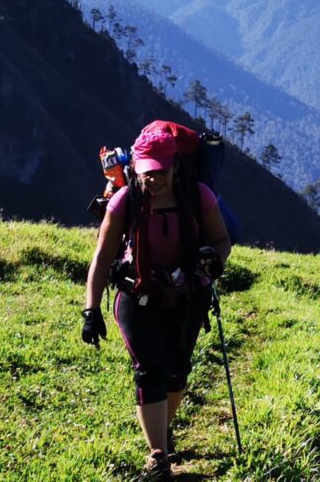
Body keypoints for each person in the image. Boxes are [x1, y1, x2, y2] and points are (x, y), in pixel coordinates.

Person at [81, 124, 232, 480]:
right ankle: (158, 456)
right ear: (137, 168)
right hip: (137, 297)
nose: (153, 180)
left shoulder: (199, 197)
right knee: (149, 371)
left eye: (160, 172)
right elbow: (101, 258)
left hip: (187, 297)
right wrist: (91, 310)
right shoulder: (125, 201)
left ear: (174, 167)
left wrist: (215, 258)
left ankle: (163, 431)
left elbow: (222, 240)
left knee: (176, 372)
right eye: (147, 173)